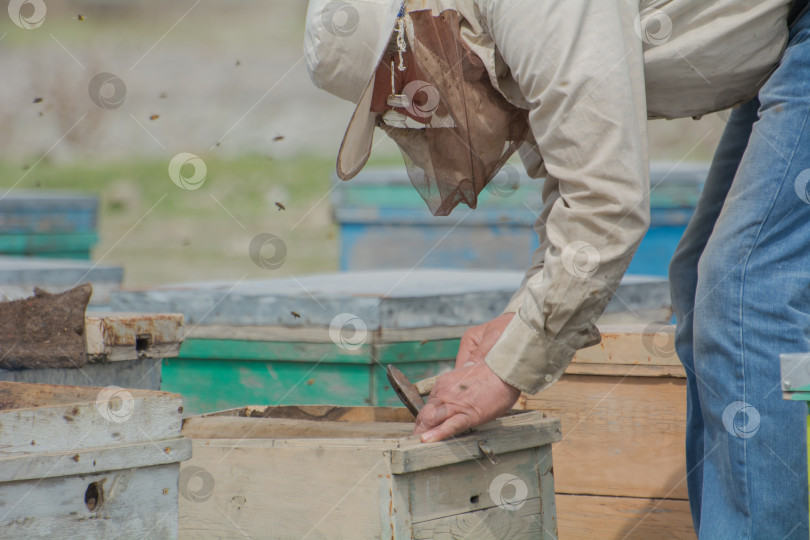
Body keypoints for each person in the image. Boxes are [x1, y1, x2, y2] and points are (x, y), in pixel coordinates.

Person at [305, 0, 810, 536]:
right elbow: (570, 189)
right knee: (704, 283)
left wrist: (506, 371)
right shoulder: (500, 36)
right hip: (784, 46)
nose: (419, 111)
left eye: (405, 90)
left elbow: (606, 204)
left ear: (419, 36)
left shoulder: (537, 11)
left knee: (741, 292)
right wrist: (518, 321)